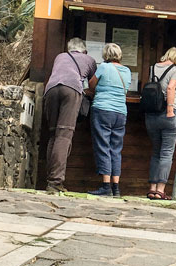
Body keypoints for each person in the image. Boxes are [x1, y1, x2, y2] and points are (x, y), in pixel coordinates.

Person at [43, 37, 97, 193]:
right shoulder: (89, 59)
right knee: (64, 135)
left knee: (53, 134)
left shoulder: (60, 56)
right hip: (71, 89)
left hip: (51, 90)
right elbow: (93, 85)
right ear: (84, 50)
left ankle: (50, 178)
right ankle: (55, 182)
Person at [87, 42, 131, 197]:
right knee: (116, 149)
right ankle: (116, 187)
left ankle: (106, 186)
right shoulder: (126, 70)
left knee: (103, 145)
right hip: (121, 112)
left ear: (105, 55)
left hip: (103, 109)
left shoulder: (104, 67)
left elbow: (92, 85)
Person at [144, 47, 176, 200]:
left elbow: (157, 89)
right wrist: (170, 109)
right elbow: (170, 87)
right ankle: (160, 190)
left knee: (156, 152)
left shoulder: (153, 67)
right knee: (166, 153)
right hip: (168, 115)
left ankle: (152, 188)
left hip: (152, 114)